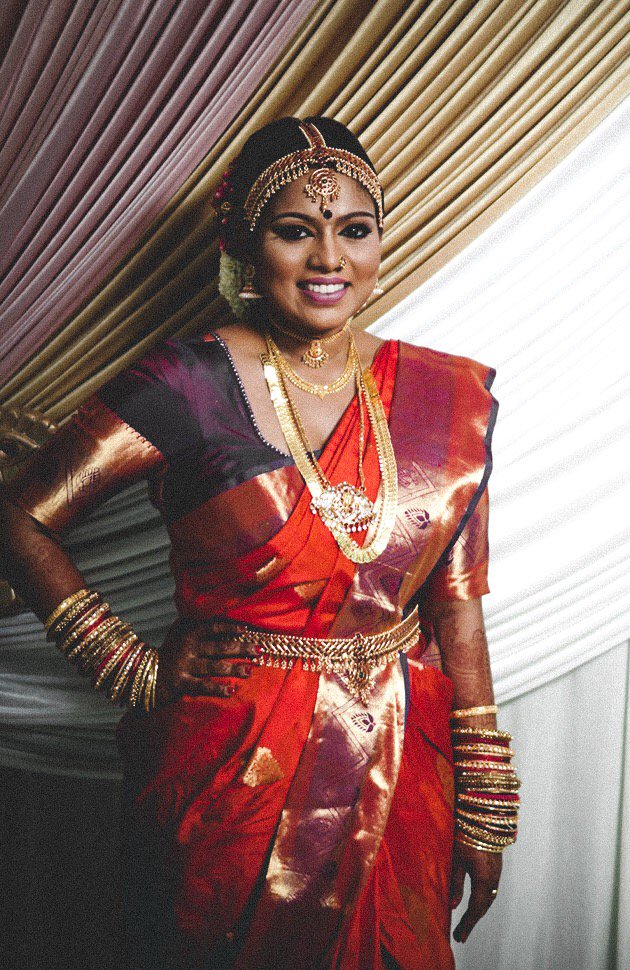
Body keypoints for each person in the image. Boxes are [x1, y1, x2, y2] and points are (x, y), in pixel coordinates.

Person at [0, 116, 519, 969]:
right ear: (245, 244)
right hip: (231, 771)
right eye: (294, 231)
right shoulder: (183, 383)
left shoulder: (446, 396)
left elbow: (456, 610)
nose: (329, 259)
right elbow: (18, 516)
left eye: (354, 230)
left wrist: (485, 804)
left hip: (399, 771)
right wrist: (129, 667)